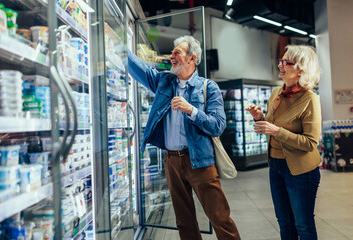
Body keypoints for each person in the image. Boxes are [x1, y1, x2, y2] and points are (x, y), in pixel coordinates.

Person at [128, 36, 240, 240]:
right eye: (172, 52)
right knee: (184, 221)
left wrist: (192, 110)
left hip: (200, 161)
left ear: (191, 58)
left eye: (177, 52)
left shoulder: (208, 87)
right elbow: (139, 68)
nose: (171, 56)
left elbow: (218, 126)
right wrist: (116, 46)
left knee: (219, 217)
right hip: (171, 161)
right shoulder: (164, 82)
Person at [246, 45, 322, 240]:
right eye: (280, 60)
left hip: (301, 170)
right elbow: (271, 128)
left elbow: (310, 143)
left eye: (286, 62)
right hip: (276, 166)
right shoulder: (277, 93)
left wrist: (278, 131)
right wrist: (259, 117)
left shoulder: (310, 99)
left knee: (303, 224)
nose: (280, 64)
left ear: (301, 69)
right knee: (284, 221)